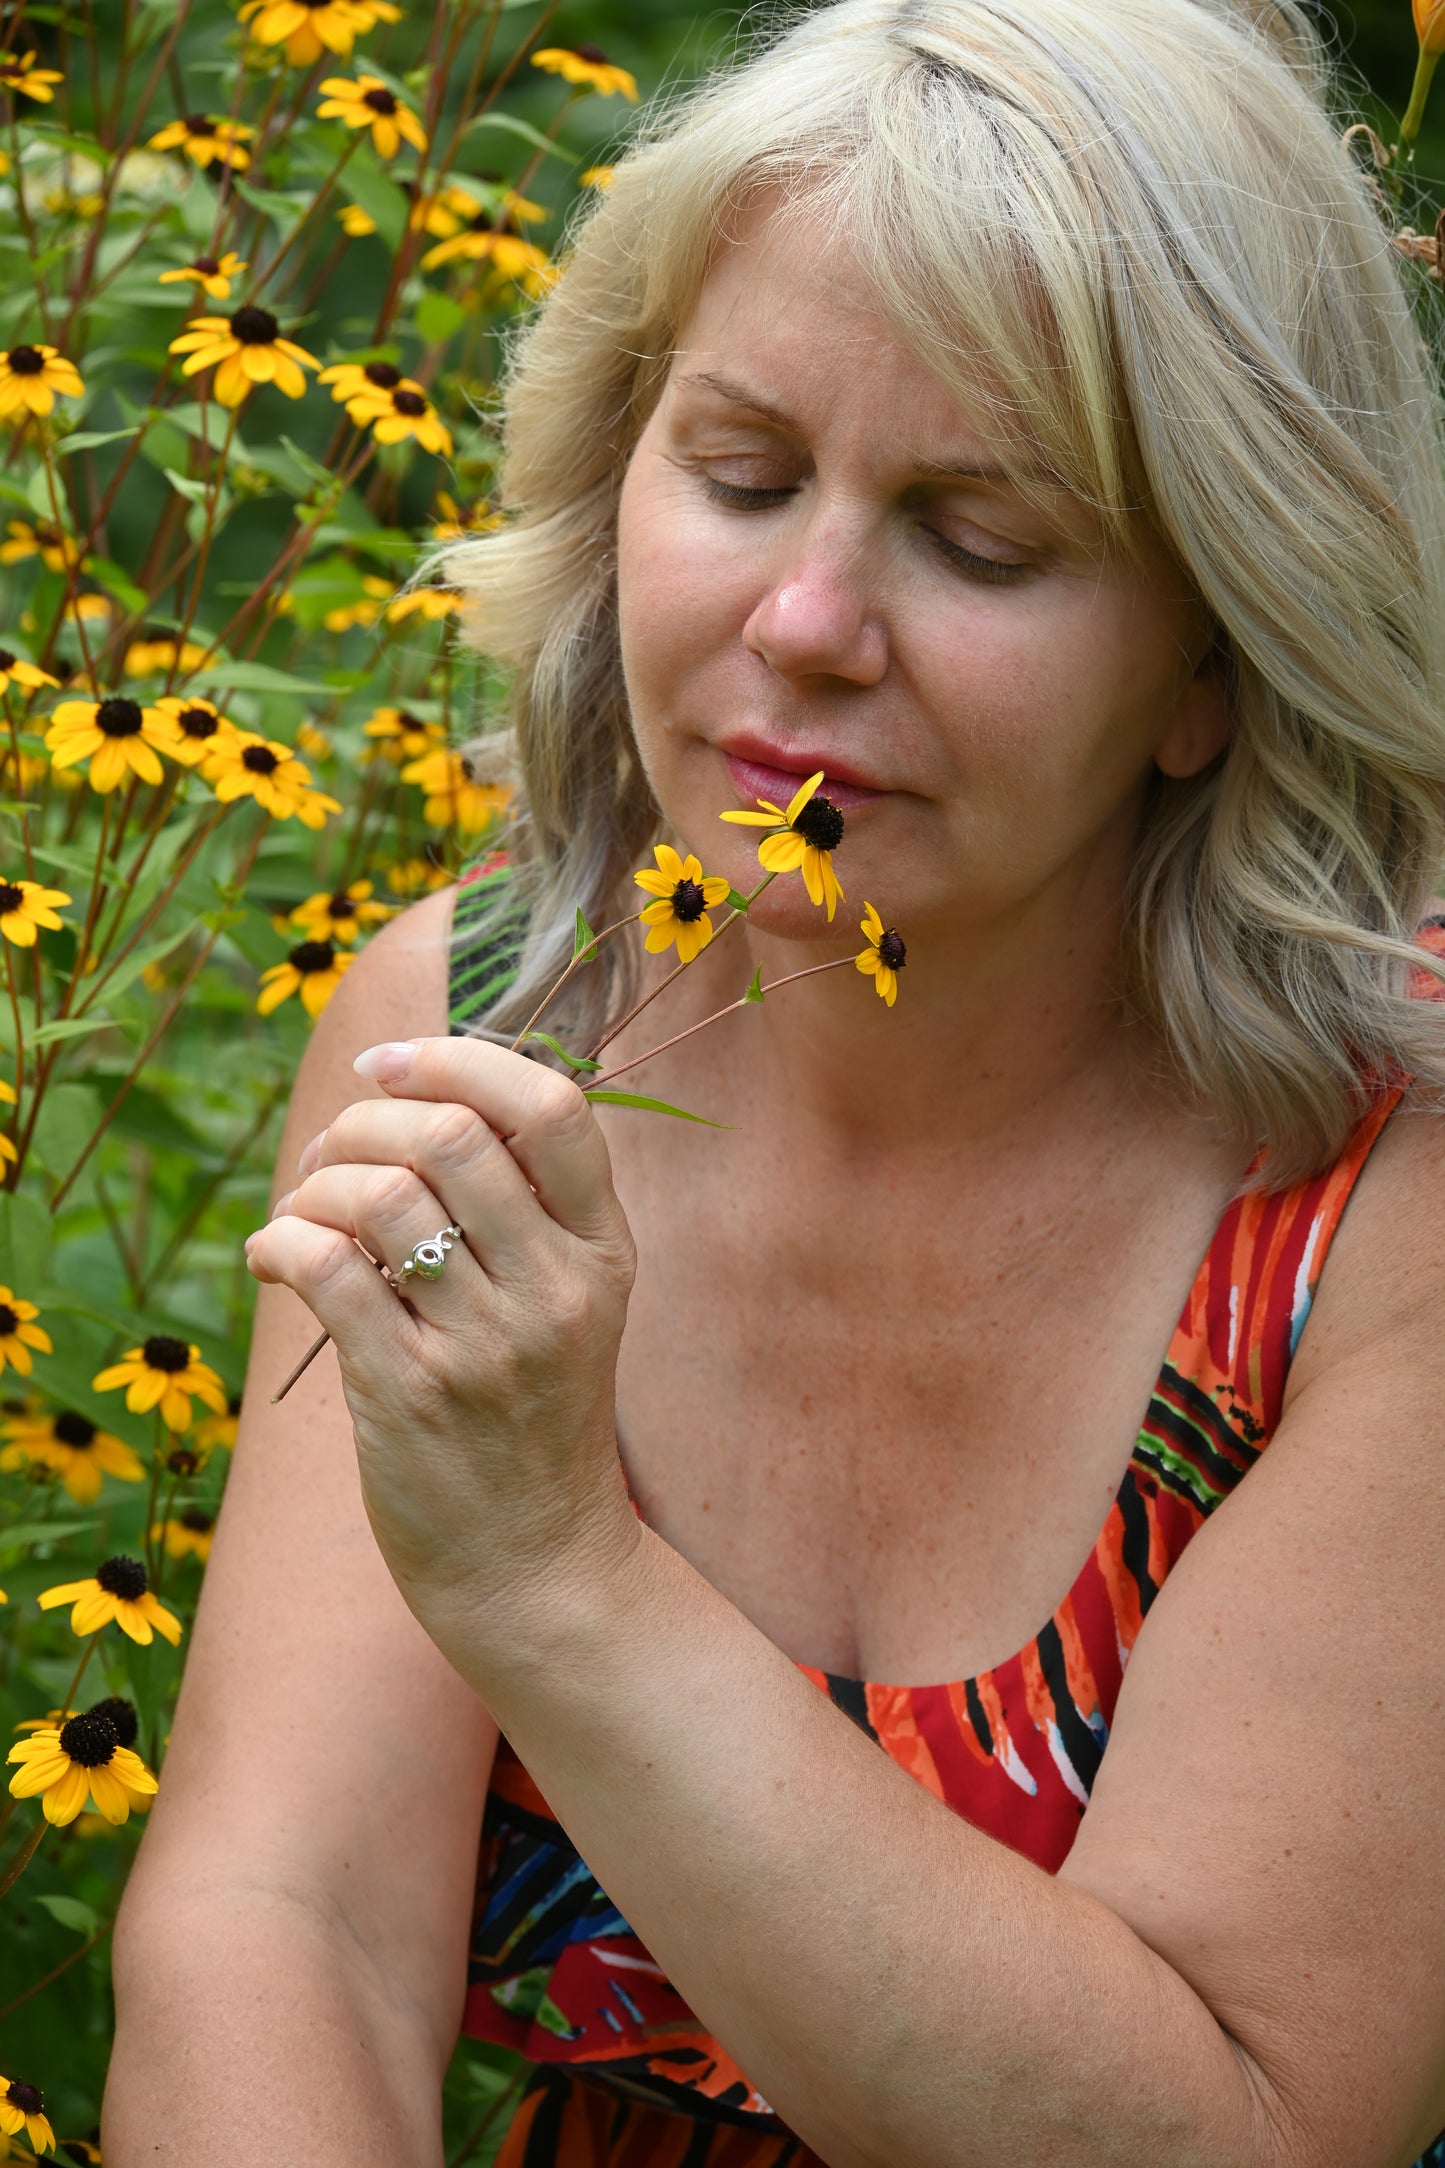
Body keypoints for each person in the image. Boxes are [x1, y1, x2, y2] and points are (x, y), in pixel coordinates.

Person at [104, 0, 1445, 2161]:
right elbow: (283, 1923)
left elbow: (1249, 2128)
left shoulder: (1390, 1190)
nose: (810, 616)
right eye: (739, 474)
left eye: (980, 539)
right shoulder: (481, 1038)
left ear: (1216, 659)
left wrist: (564, 1579)